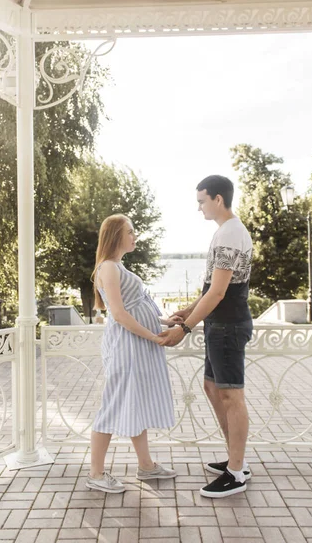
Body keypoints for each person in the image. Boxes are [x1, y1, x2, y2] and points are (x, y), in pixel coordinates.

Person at [158, 175, 253, 498]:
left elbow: (220, 292)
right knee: (212, 386)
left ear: (218, 199)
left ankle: (237, 472)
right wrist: (187, 311)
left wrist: (184, 329)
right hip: (219, 324)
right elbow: (209, 290)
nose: (198, 208)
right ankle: (235, 460)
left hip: (227, 325)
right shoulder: (224, 232)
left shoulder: (229, 234)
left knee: (231, 395)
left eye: (201, 201)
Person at [86, 213, 177, 494]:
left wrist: (164, 322)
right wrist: (152, 335)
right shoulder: (109, 268)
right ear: (116, 235)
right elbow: (120, 314)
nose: (134, 235)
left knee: (134, 401)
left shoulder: (117, 266)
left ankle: (146, 465)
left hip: (135, 347)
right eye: (130, 231)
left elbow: (135, 307)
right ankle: (96, 473)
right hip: (127, 347)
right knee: (112, 406)